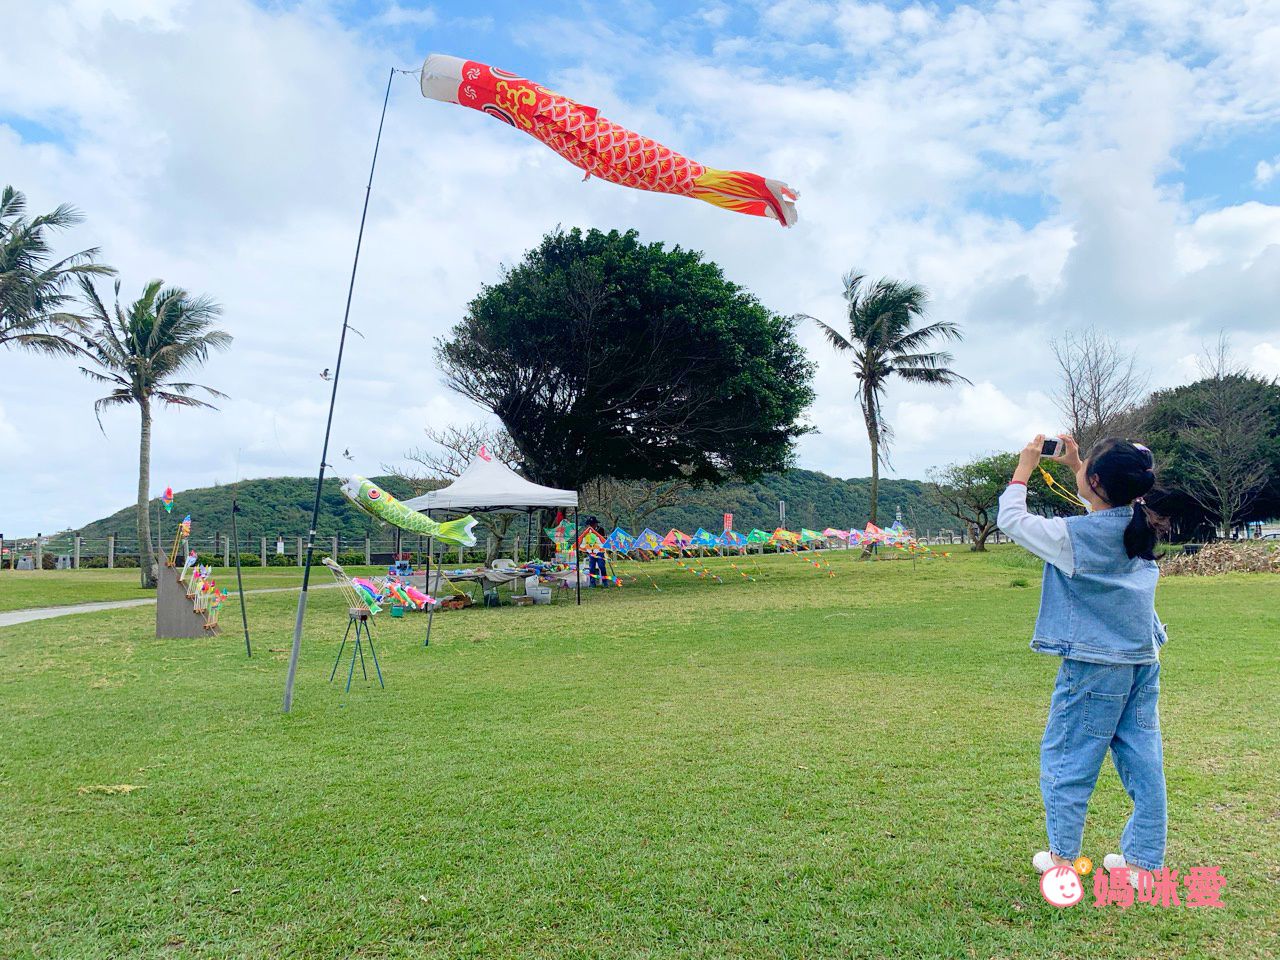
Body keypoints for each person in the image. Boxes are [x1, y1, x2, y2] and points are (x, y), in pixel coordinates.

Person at [997, 434, 1169, 883]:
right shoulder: (1139, 520)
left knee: (1069, 759)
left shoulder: (1073, 538)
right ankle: (1141, 863)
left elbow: (1011, 519)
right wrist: (1078, 466)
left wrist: (1024, 470)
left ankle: (1061, 861)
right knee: (1143, 758)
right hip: (1142, 661)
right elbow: (1105, 504)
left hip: (1094, 666)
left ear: (1096, 480)